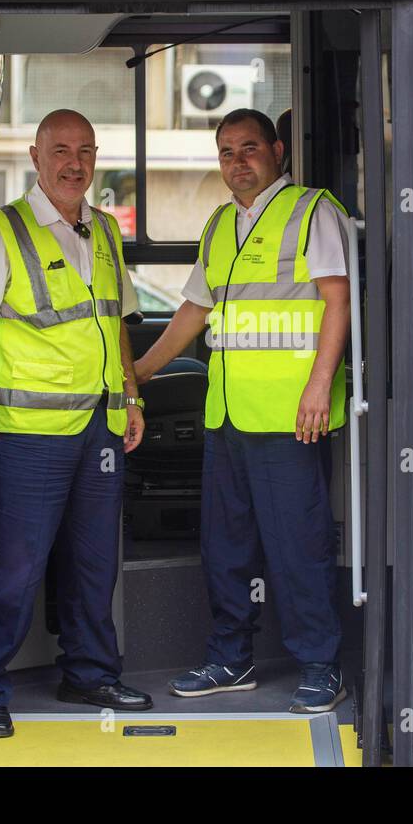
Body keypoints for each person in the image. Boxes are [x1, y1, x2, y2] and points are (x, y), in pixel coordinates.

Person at [134, 108, 352, 713]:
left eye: (249, 148)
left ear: (277, 150)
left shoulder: (313, 212)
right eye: (227, 152)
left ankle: (319, 665)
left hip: (289, 416)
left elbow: (339, 303)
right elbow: (194, 312)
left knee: (297, 546)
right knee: (225, 546)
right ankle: (230, 657)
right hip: (226, 415)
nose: (238, 162)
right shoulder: (220, 224)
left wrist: (318, 385)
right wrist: (141, 373)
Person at [0, 109, 152, 739]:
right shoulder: (1, 231)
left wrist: (133, 397)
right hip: (28, 433)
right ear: (35, 157)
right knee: (13, 566)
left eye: (86, 151)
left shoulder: (106, 232)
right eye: (60, 150)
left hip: (101, 428)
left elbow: (116, 325)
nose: (75, 163)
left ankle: (88, 673)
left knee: (93, 563)